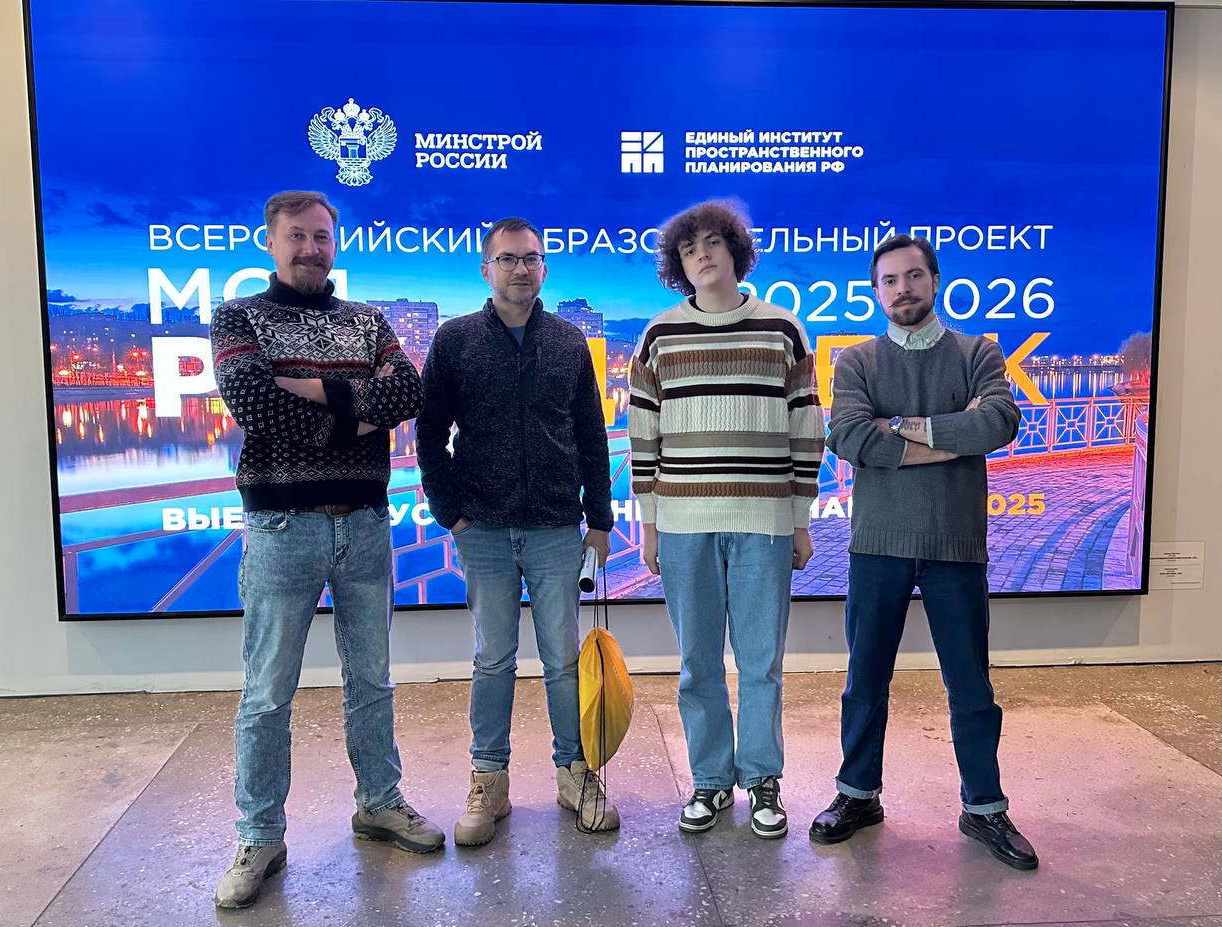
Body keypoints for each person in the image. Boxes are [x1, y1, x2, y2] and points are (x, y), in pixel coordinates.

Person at [210, 190, 443, 909]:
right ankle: (259, 834)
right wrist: (356, 407)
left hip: (365, 524)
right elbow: (256, 406)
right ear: (272, 242)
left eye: (322, 237)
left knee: (372, 678)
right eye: (298, 237)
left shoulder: (368, 320)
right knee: (267, 692)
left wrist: (308, 392)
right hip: (282, 528)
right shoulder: (239, 317)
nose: (312, 248)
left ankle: (380, 801)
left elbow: (406, 397)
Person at [810, 233, 1037, 870]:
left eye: (913, 276)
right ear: (876, 291)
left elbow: (998, 422)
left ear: (935, 281)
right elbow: (849, 438)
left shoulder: (977, 351)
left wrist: (901, 428)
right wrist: (952, 435)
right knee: (865, 680)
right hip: (877, 544)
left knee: (971, 685)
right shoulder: (857, 362)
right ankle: (858, 796)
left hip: (955, 545)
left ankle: (984, 807)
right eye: (890, 280)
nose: (902, 288)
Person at [415, 216, 618, 847]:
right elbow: (429, 434)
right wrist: (449, 512)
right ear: (487, 269)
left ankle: (574, 773)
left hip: (557, 526)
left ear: (544, 267)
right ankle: (489, 781)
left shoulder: (568, 342)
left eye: (531, 258)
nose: (521, 269)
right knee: (493, 660)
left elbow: (591, 435)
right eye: (507, 259)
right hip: (483, 526)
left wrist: (600, 519)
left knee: (562, 662)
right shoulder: (455, 341)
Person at [628, 200, 824, 839]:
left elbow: (806, 429)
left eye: (713, 242)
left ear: (735, 249)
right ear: (678, 266)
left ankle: (763, 779)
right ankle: (710, 780)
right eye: (689, 250)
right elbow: (643, 438)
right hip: (683, 525)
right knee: (698, 663)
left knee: (762, 662)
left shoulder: (782, 330)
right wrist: (650, 526)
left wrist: (799, 519)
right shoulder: (658, 337)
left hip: (764, 522)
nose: (702, 255)